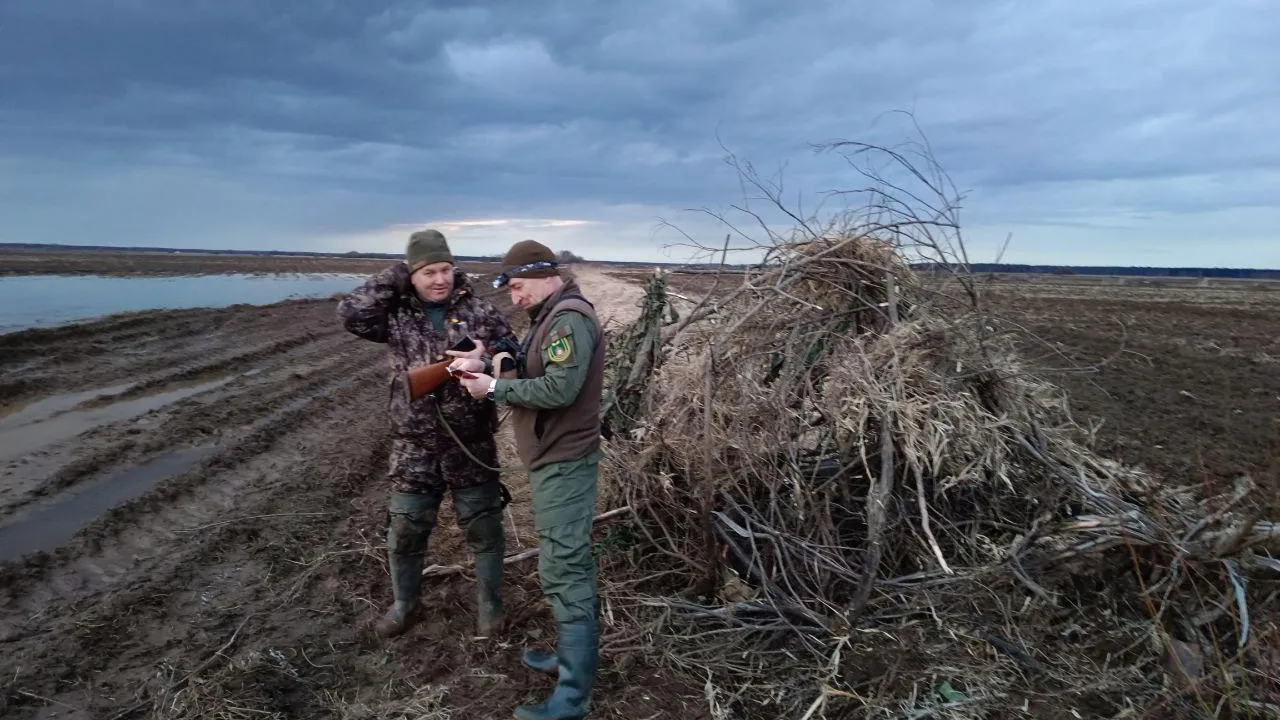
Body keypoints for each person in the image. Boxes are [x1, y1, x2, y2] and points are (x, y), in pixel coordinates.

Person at [337, 228, 519, 640]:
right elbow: (350, 314)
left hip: (471, 443)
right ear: (412, 275)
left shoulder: (480, 311)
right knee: (405, 530)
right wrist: (397, 275)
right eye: (428, 272)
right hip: (414, 447)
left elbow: (512, 350)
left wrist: (484, 360)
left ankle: (490, 607)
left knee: (485, 529)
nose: (440, 279)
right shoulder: (395, 313)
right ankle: (406, 604)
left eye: (445, 270)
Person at [452, 239, 605, 720]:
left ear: (543, 275)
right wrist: (484, 365)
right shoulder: (549, 315)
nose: (515, 298)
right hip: (553, 457)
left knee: (564, 568)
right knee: (562, 562)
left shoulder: (568, 319)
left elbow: (560, 388)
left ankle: (573, 697)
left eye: (518, 287)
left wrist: (494, 388)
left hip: (564, 460)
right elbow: (532, 367)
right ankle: (568, 660)